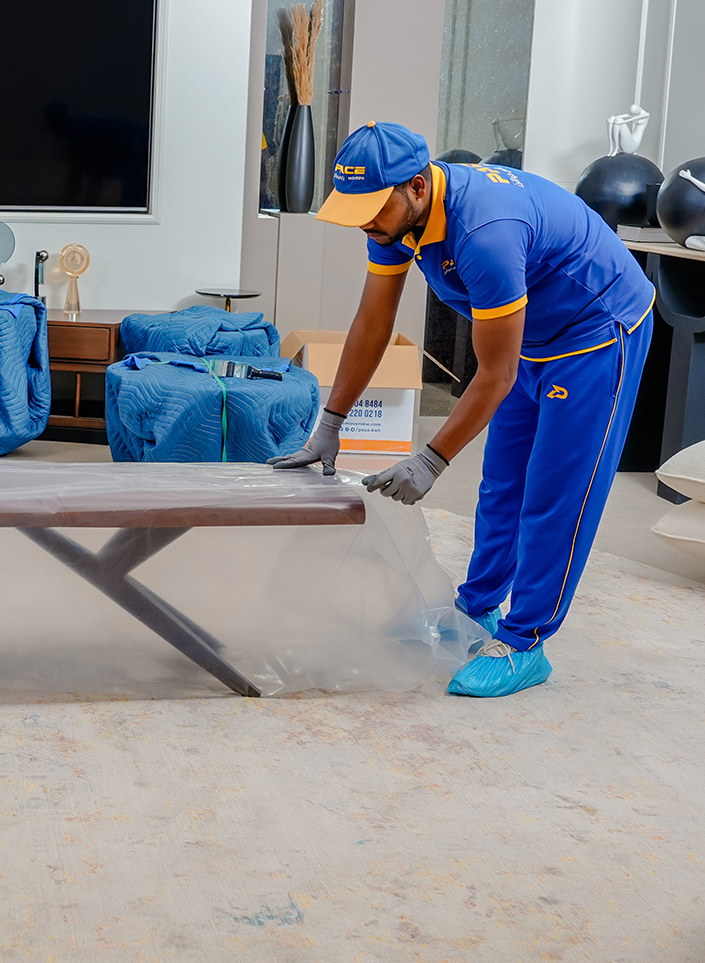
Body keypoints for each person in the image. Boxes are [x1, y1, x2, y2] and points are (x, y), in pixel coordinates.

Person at [270, 122, 654, 698]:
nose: (366, 224)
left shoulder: (485, 232)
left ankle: (524, 642)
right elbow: (373, 322)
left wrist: (431, 459)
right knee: (502, 484)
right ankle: (478, 609)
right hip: (530, 335)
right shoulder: (394, 219)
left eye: (372, 210)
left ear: (417, 186)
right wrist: (330, 423)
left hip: (595, 333)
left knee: (556, 493)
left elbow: (494, 375)